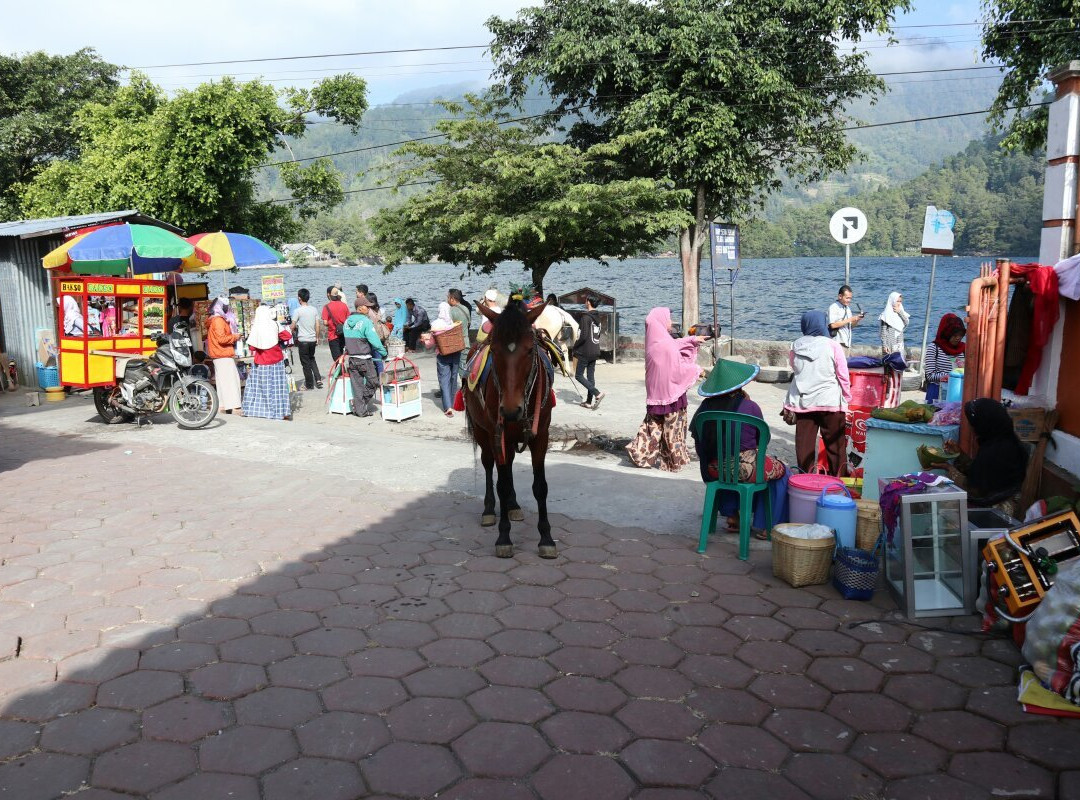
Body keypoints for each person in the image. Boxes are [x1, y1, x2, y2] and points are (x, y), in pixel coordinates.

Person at [690, 360, 789, 537]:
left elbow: (700, 443)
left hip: (712, 468)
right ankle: (769, 525)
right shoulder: (750, 406)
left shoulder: (704, 409)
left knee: (727, 463)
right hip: (744, 469)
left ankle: (733, 515)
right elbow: (762, 442)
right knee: (783, 472)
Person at [626, 308, 708, 472]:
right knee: (673, 429)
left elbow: (674, 343)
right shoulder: (666, 346)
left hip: (655, 394)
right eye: (668, 319)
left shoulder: (654, 341)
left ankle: (639, 454)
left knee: (652, 427)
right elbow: (677, 370)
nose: (670, 323)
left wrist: (692, 339)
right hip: (672, 394)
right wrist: (697, 370)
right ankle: (672, 462)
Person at [784, 310, 851, 476]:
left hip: (804, 402)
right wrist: (846, 397)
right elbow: (843, 375)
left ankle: (804, 482)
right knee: (836, 447)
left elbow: (794, 367)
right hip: (830, 402)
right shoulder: (833, 345)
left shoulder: (796, 345)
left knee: (804, 447)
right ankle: (839, 482)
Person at [945, 398, 1028, 508]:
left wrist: (948, 469)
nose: (971, 428)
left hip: (997, 512)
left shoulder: (995, 452)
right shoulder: (1006, 441)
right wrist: (959, 454)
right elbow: (981, 473)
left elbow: (976, 490)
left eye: (973, 424)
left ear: (983, 425)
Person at [242, 305, 293, 420]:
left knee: (259, 388)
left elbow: (252, 348)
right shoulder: (275, 324)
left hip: (261, 363)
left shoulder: (256, 327)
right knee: (277, 388)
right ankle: (280, 411)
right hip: (276, 362)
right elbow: (287, 336)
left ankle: (259, 410)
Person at [342, 296, 386, 417]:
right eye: (367, 307)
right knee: (374, 382)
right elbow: (375, 341)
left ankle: (360, 410)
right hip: (364, 358)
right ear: (360, 308)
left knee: (357, 386)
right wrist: (384, 352)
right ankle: (359, 405)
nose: (369, 309)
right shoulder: (366, 322)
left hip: (352, 359)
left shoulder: (346, 322)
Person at [206, 297, 242, 415]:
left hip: (219, 354)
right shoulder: (218, 320)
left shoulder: (215, 320)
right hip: (223, 353)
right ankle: (234, 406)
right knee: (231, 381)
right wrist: (235, 337)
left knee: (222, 382)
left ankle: (222, 405)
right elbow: (222, 339)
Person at [923, 313, 966, 405]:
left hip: (958, 393)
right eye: (954, 335)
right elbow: (930, 375)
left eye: (960, 334)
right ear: (946, 333)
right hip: (937, 393)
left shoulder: (964, 349)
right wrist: (949, 376)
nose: (958, 338)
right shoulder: (934, 348)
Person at [573, 294, 604, 409]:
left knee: (578, 375)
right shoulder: (598, 317)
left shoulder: (585, 317)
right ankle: (589, 402)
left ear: (588, 302)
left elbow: (582, 336)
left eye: (586, 301)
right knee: (590, 377)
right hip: (595, 350)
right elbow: (598, 334)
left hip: (585, 351)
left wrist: (575, 347)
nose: (585, 302)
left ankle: (597, 394)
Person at [290, 288, 322, 391]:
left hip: (303, 340)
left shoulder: (297, 311)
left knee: (305, 363)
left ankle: (309, 384)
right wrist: (317, 337)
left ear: (299, 298)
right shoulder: (314, 309)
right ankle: (318, 379)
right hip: (312, 339)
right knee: (312, 359)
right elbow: (317, 325)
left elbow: (293, 326)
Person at [827, 284, 864, 350]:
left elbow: (850, 326)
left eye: (850, 298)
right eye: (847, 298)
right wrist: (850, 319)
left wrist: (857, 320)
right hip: (837, 342)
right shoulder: (833, 307)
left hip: (846, 343)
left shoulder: (848, 309)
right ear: (840, 296)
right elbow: (833, 325)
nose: (849, 300)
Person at [321, 286, 350, 364]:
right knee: (342, 355)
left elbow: (325, 322)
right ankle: (342, 371)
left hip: (333, 335)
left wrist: (331, 324)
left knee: (336, 358)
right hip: (344, 334)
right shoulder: (344, 305)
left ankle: (340, 373)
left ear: (328, 295)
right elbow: (348, 320)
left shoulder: (326, 307)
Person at [365, 292, 390, 377]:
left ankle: (379, 379)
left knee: (376, 359)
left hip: (372, 337)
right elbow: (383, 320)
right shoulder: (380, 309)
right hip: (380, 336)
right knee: (378, 359)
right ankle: (380, 378)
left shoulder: (369, 311)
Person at [879, 291, 910, 357]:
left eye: (900, 301)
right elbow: (883, 332)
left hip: (899, 341)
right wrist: (884, 345)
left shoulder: (901, 311)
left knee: (899, 362)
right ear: (892, 300)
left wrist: (900, 312)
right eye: (897, 301)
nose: (899, 303)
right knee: (889, 363)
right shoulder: (885, 315)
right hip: (889, 343)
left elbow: (906, 323)